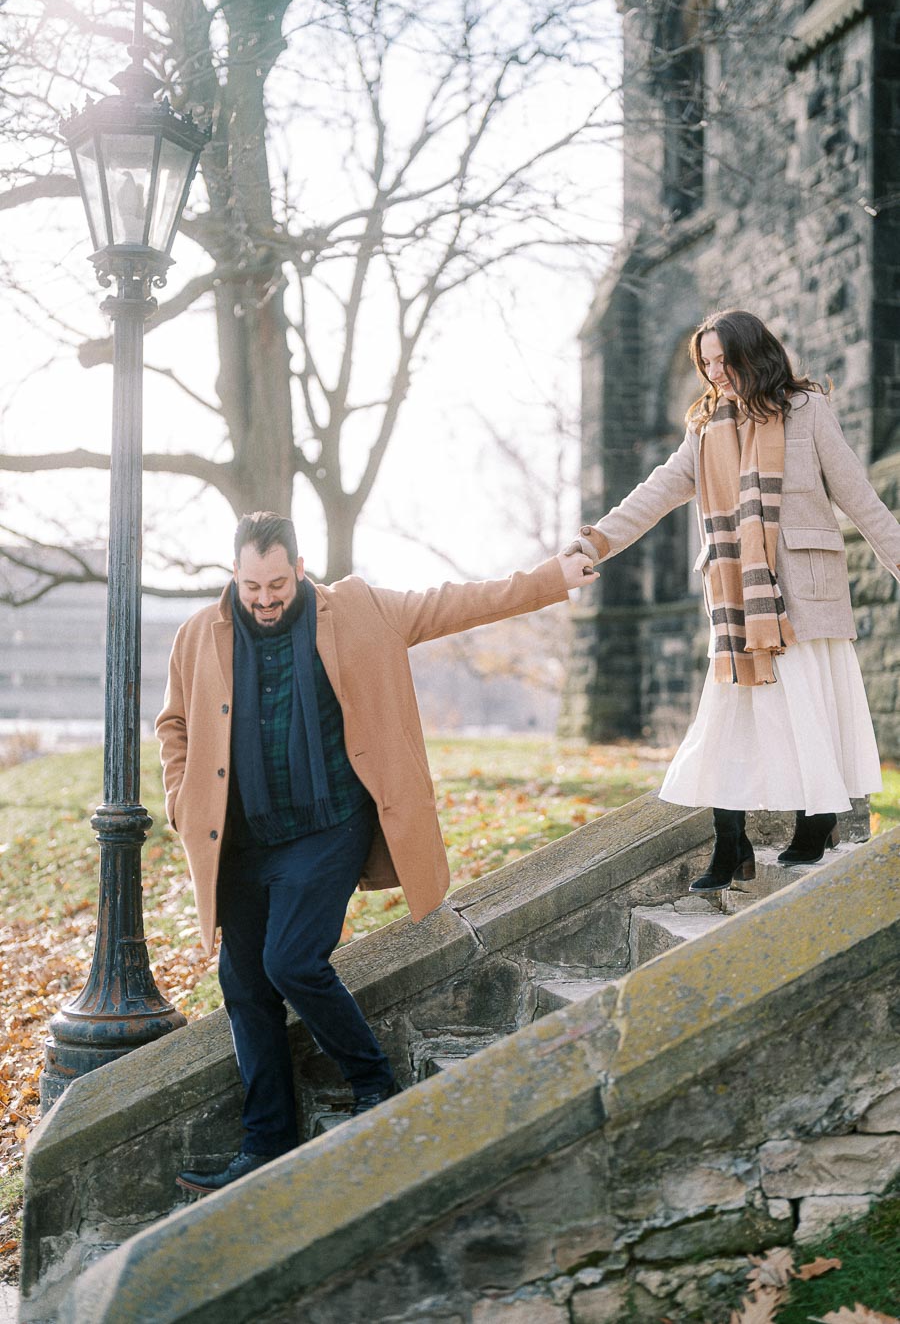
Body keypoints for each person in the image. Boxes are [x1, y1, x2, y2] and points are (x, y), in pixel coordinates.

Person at [157, 512, 597, 1193]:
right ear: (234, 577)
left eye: (277, 585)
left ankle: (374, 1085)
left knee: (290, 961)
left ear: (300, 570)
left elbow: (456, 603)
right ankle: (265, 1142)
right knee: (243, 986)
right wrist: (180, 798)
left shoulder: (359, 609)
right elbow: (175, 724)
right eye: (252, 587)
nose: (265, 600)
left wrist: (550, 579)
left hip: (329, 826)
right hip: (240, 842)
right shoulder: (198, 635)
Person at [569, 309, 900, 892]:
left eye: (724, 359)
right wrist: (595, 542)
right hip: (739, 603)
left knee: (805, 710)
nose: (715, 372)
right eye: (707, 363)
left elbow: (860, 498)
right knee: (728, 719)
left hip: (804, 594)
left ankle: (817, 819)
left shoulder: (807, 410)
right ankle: (731, 841)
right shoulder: (704, 428)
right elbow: (654, 493)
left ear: (754, 352)